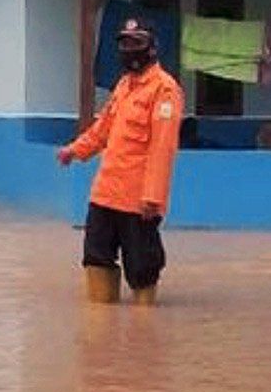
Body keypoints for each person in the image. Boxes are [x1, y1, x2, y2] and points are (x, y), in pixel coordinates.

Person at [58, 18, 184, 305]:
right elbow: (103, 128)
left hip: (138, 200)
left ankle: (143, 332)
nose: (129, 49)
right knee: (95, 257)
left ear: (151, 49)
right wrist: (74, 151)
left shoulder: (164, 90)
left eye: (136, 43)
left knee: (142, 268)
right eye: (124, 43)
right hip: (105, 193)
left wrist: (153, 196)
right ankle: (102, 330)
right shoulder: (124, 86)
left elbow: (162, 147)